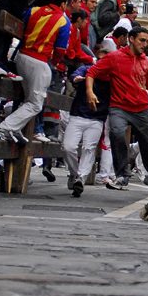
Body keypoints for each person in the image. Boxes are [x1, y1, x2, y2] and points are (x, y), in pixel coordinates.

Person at [85, 26, 148, 190]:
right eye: (142, 40)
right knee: (117, 133)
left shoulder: (147, 63)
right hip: (119, 106)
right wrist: (90, 92)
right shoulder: (115, 57)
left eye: (147, 41)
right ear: (131, 39)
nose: (145, 44)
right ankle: (122, 175)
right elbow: (92, 72)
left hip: (141, 109)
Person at [0, 0, 70, 144]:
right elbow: (61, 50)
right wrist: (54, 63)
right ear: (63, 4)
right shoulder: (63, 20)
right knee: (35, 104)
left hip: (22, 56)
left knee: (27, 98)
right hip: (40, 61)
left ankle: (15, 129)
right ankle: (5, 127)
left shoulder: (33, 10)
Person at [63, 44, 111, 198]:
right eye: (100, 58)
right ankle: (74, 173)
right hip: (77, 115)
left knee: (89, 149)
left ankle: (80, 179)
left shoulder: (112, 76)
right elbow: (75, 75)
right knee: (68, 147)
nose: (102, 61)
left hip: (97, 119)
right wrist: (76, 78)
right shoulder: (87, 69)